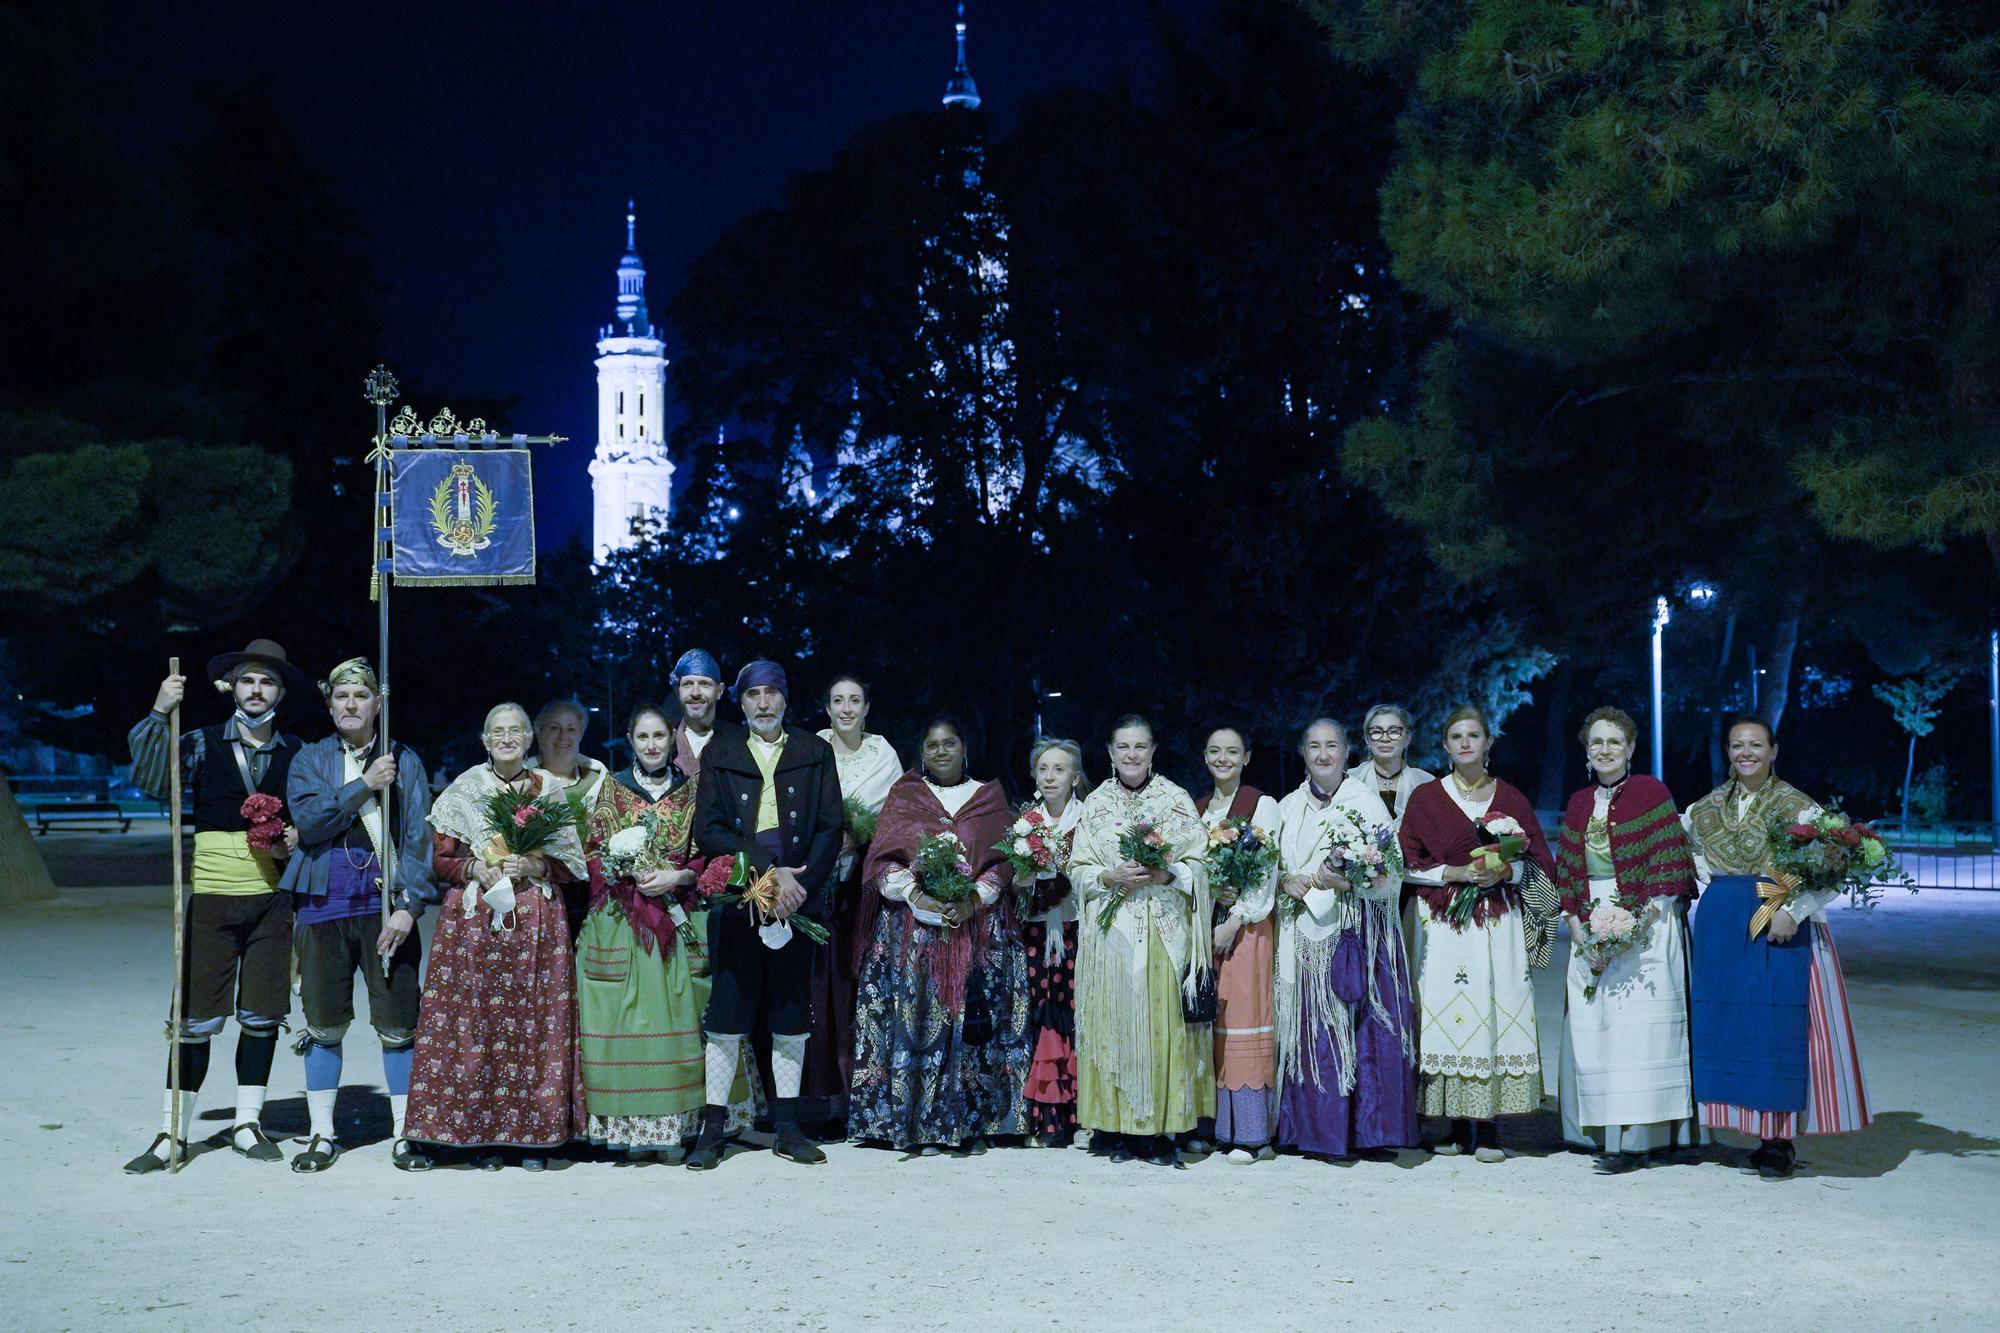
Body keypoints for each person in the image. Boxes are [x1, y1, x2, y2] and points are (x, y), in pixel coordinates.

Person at [124, 639, 307, 1174]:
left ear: (281, 691)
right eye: (248, 680)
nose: (256, 690)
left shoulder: (298, 753)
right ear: (233, 687)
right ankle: (171, 1133)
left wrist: (293, 838)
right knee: (195, 1019)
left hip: (273, 902)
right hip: (210, 898)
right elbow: (154, 782)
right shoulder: (201, 742)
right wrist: (160, 709)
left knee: (262, 1015)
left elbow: (312, 818)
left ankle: (248, 1123)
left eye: (267, 681)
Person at [1685, 717, 1872, 1179]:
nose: (1745, 753)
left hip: (1780, 923)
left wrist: (1795, 909)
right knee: (1731, 1022)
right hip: (1723, 927)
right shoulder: (1702, 810)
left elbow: (1829, 870)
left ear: (1773, 750)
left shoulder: (1798, 807)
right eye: (1736, 745)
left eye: (1755, 745)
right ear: (1727, 752)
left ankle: (1778, 1139)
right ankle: (1742, 1127)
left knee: (1775, 1024)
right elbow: (1695, 863)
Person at [404, 702, 585, 1168]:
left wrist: (537, 864)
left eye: (515, 731)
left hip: (535, 923)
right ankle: (475, 1134)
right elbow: (440, 860)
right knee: (474, 1023)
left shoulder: (548, 789)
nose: (506, 739)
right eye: (497, 732)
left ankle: (532, 1134)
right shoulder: (464, 789)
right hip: (475, 921)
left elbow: (572, 863)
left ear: (529, 739)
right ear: (485, 740)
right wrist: (473, 867)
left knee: (533, 1023)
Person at [280, 657, 438, 1173]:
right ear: (329, 705)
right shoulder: (309, 760)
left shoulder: (404, 759)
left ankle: (404, 1135)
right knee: (324, 1024)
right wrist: (365, 784)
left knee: (398, 1025)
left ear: (378, 704)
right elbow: (309, 820)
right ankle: (322, 1135)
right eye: (341, 697)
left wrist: (408, 907)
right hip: (322, 908)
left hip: (384, 910)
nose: (351, 704)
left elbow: (418, 838)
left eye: (361, 696)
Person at [575, 702, 752, 1162]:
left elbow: (708, 852)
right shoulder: (612, 788)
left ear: (673, 739)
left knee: (688, 1015)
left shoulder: (695, 790)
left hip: (680, 912)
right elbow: (593, 850)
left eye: (659, 737)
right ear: (630, 741)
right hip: (622, 919)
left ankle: (691, 1121)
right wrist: (619, 872)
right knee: (623, 1014)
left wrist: (679, 877)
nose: (652, 745)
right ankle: (631, 1125)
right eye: (642, 738)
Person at [686, 659, 845, 1169]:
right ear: (741, 701)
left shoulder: (814, 751)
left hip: (798, 900)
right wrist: (768, 874)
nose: (762, 703)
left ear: (784, 700)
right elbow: (708, 830)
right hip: (738, 898)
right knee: (727, 1014)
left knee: (790, 1014)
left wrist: (797, 886)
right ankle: (712, 1130)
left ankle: (788, 1128)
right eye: (752, 694)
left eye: (770, 694)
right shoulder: (722, 752)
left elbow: (829, 829)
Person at [848, 717, 1029, 1152]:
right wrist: (916, 896)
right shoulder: (906, 795)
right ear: (922, 752)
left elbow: (1003, 861)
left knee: (974, 1020)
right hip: (911, 931)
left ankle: (972, 1122)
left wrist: (974, 898)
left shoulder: (989, 797)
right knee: (915, 1019)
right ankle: (914, 1122)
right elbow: (881, 861)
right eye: (932, 745)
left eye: (950, 743)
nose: (942, 752)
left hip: (978, 927)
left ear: (966, 748)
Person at [1399, 705, 1557, 1162]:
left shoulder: (1512, 799)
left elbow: (1539, 861)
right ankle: (1452, 1121)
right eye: (1456, 737)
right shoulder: (1427, 799)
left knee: (1494, 1007)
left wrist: (1504, 872)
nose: (1465, 743)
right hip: (1446, 925)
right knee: (1449, 1015)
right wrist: (1457, 872)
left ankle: (1488, 1129)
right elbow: (1407, 862)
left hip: (1498, 924)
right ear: (1445, 746)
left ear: (1489, 742)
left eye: (1474, 736)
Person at [1553, 707, 1701, 1174]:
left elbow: (1668, 865)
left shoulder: (1651, 794)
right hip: (1590, 923)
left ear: (1632, 748)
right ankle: (1596, 1131)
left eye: (1614, 741)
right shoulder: (1579, 803)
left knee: (1640, 1031)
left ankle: (1638, 1139)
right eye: (1596, 742)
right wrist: (1578, 926)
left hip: (1648, 922)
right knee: (1596, 1024)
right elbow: (1570, 874)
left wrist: (1633, 922)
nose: (1604, 750)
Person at [1070, 715, 1212, 1167]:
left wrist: (1166, 873)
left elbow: (1202, 864)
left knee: (1160, 1025)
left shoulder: (1175, 800)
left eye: (1141, 746)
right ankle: (1112, 1127)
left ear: (1153, 751)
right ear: (1110, 753)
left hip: (1162, 932)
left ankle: (1158, 1130)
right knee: (1111, 1021)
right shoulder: (1094, 804)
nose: (1132, 754)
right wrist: (1107, 875)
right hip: (1111, 934)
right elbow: (1076, 868)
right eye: (1123, 747)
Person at [1274, 719, 1419, 1161]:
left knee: (1367, 1032)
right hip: (1305, 938)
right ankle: (1314, 1132)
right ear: (1303, 752)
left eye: (1332, 746)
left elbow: (1392, 874)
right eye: (1314, 746)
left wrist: (1354, 881)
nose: (1323, 755)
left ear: (1345, 751)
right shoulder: (1287, 806)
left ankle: (1370, 1133)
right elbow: (1271, 867)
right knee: (1312, 1033)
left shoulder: (1367, 803)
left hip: (1363, 937)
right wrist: (1286, 879)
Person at [803, 674, 903, 1133]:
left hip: (863, 886)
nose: (846, 708)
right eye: (837, 700)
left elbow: (899, 819)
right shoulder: (811, 748)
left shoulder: (884, 755)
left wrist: (856, 839)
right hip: (813, 883)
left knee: (858, 987)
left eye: (854, 700)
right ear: (826, 707)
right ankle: (817, 1100)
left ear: (867, 707)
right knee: (817, 991)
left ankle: (863, 1100)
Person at [1194, 726, 1281, 1163]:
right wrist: (1211, 896)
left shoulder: (1260, 804)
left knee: (1244, 1016)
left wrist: (1234, 918)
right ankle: (1212, 1125)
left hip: (1248, 928)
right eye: (1215, 751)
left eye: (1232, 751)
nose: (1223, 758)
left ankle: (1252, 1133)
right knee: (1210, 1019)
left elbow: (1266, 874)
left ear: (1247, 756)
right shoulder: (1199, 809)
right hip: (1207, 927)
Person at [1020, 738, 1086, 1147]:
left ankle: (1082, 1116)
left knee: (1076, 1016)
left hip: (1078, 929)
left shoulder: (1091, 818)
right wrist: (1024, 878)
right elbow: (1015, 883)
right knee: (1041, 1015)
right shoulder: (1025, 825)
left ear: (1075, 777)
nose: (1050, 776)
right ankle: (1045, 1119)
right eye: (1043, 769)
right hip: (1036, 929)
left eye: (1059, 769)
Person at [1349, 703, 1436, 959]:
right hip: (1361, 894)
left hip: (1412, 890)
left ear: (1407, 737)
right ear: (1367, 738)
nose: (1385, 738)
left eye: (1394, 731)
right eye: (1376, 731)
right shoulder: (1349, 782)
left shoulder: (1428, 784)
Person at [529, 698, 608, 938]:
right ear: (539, 733)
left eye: (571, 729)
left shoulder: (598, 779)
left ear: (581, 734)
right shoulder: (522, 782)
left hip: (588, 889)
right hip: (538, 887)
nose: (563, 736)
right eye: (554, 728)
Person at [670, 649, 724, 776]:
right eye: (687, 684)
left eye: (704, 684)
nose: (695, 693)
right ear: (678, 691)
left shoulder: (738, 744)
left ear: (719, 691)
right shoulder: (663, 746)